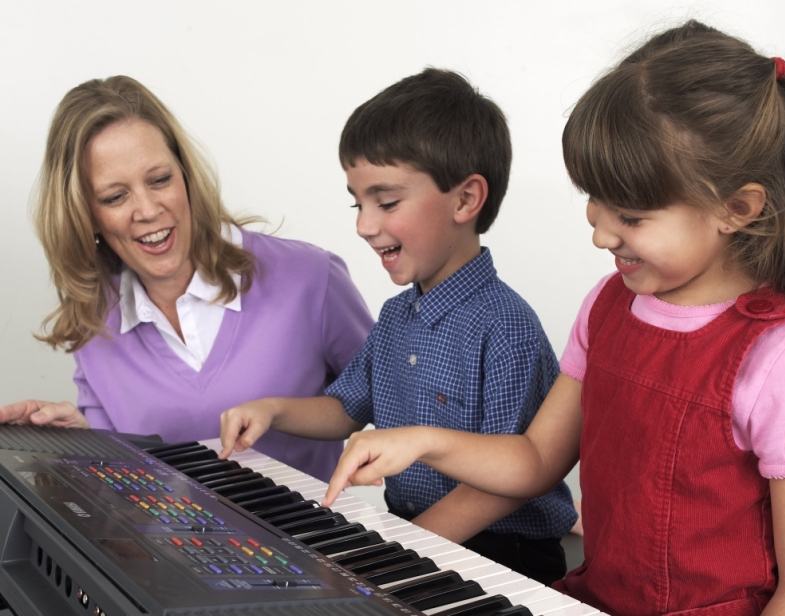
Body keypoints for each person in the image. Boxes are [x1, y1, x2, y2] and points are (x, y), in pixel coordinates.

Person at [319, 22, 785, 616]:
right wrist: (422, 441)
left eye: (630, 215)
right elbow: (537, 461)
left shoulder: (779, 356)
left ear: (736, 209)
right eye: (593, 201)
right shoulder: (605, 307)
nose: (599, 233)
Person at [219, 68, 577, 586]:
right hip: (419, 537)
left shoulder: (507, 327)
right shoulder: (395, 317)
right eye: (357, 202)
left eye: (386, 202)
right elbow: (345, 409)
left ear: (465, 200)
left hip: (505, 555)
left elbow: (511, 481)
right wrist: (272, 410)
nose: (364, 224)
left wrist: (399, 553)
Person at [0, 76, 373, 483]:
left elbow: (396, 401)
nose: (147, 209)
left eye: (160, 179)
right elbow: (124, 480)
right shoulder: (94, 317)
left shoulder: (311, 279)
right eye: (114, 197)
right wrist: (80, 442)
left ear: (186, 175)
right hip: (164, 547)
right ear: (85, 213)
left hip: (312, 542)